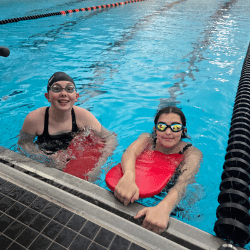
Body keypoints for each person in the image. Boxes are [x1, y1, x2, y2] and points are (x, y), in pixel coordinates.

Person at [114, 106, 202, 234]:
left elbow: (183, 182)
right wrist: (128, 176)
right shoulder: (147, 140)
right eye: (162, 126)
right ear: (155, 129)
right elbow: (130, 153)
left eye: (175, 127)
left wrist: (165, 207)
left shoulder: (191, 153)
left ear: (183, 130)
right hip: (143, 184)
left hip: (170, 190)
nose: (168, 132)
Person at [18, 72, 116, 175]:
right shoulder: (35, 119)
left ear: (76, 96)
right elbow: (23, 145)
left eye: (69, 89)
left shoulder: (83, 116)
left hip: (76, 158)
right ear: (48, 97)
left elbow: (110, 138)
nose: (64, 93)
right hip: (47, 161)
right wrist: (46, 157)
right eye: (56, 89)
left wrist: (99, 164)